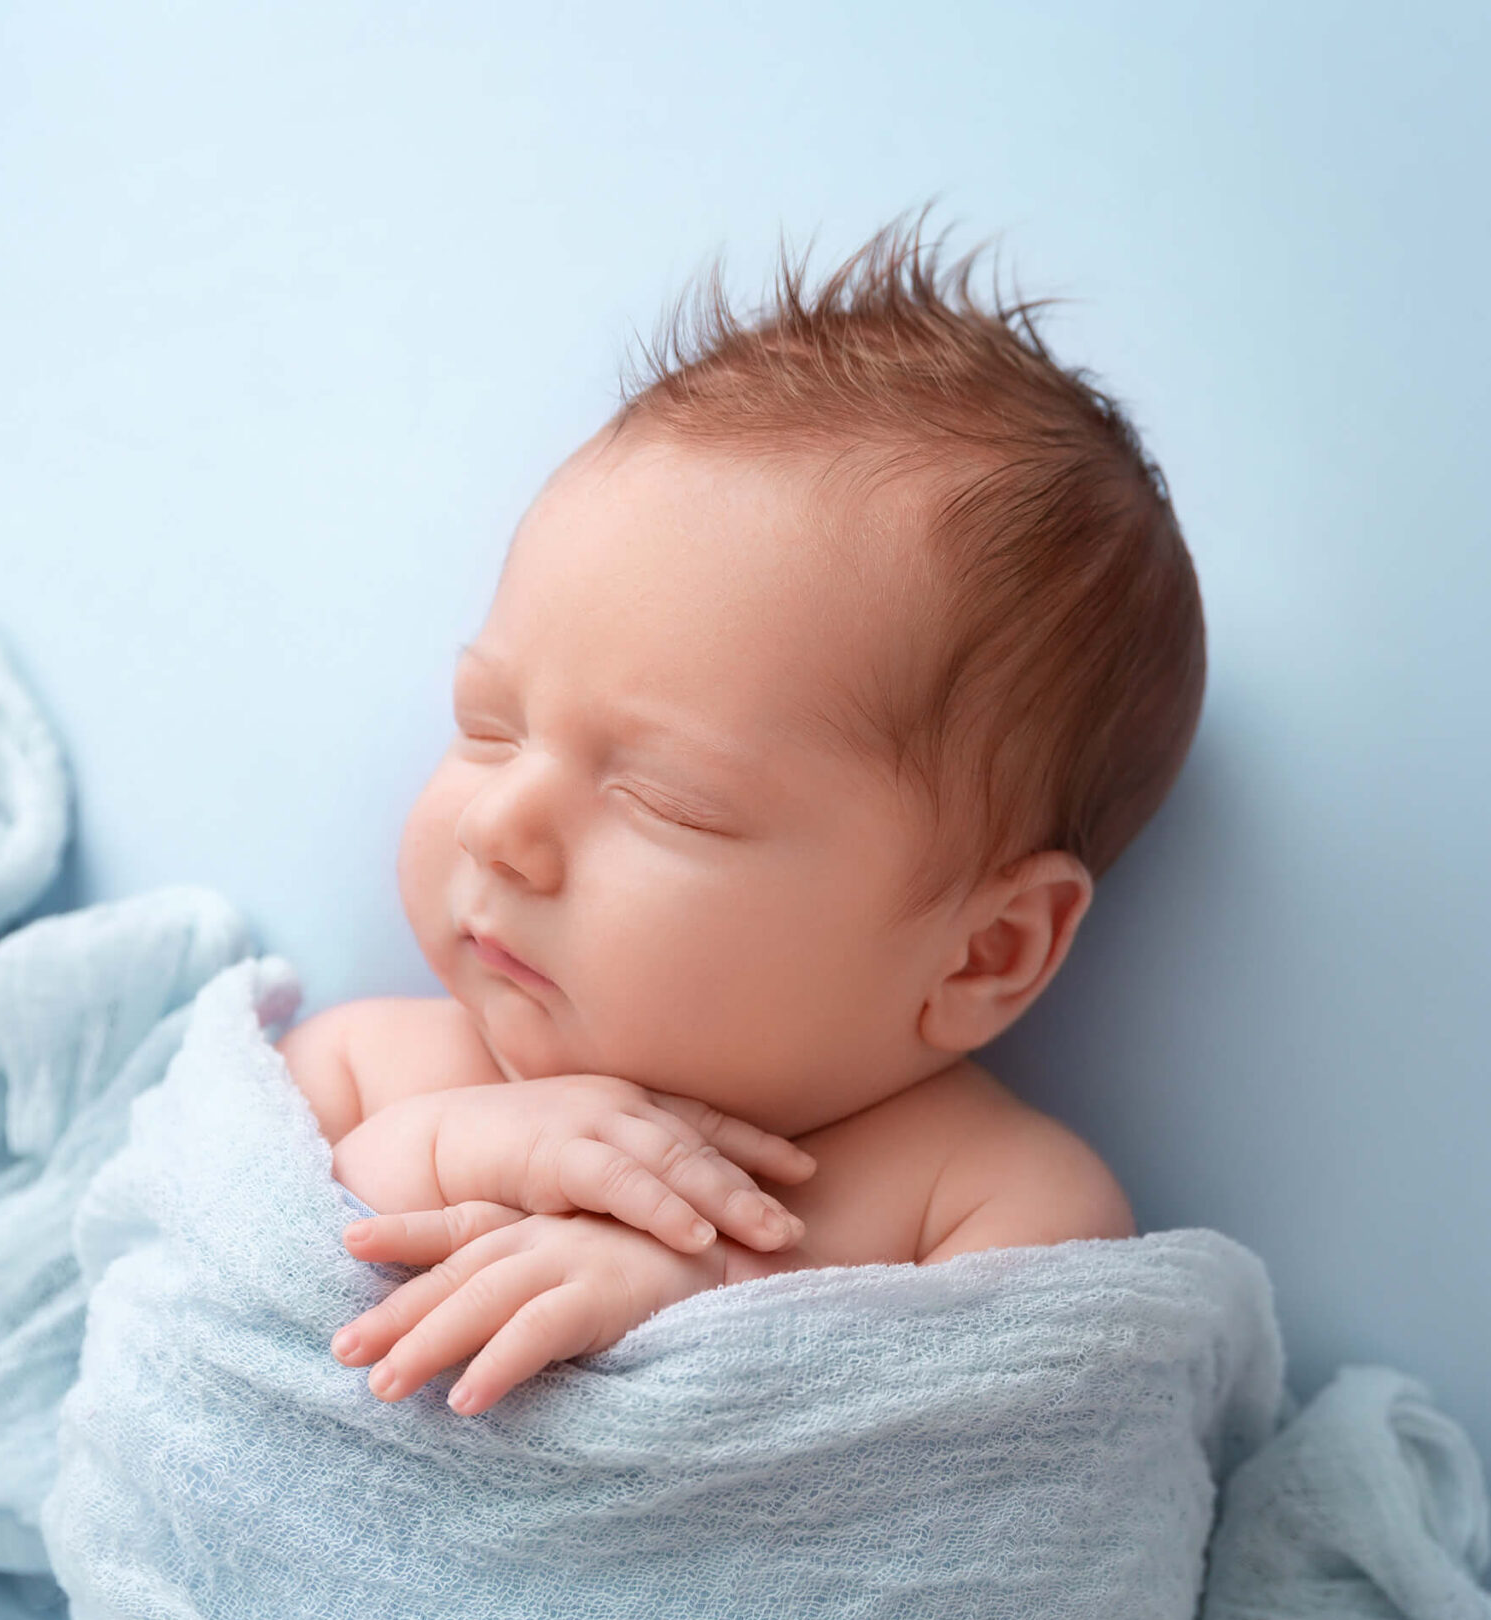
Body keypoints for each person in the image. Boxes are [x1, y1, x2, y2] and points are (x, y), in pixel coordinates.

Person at [282, 218, 1204, 1415]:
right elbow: (247, 1255)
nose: (499, 823)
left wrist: (697, 1285)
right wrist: (459, 1149)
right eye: (488, 725)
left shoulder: (989, 1199)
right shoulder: (372, 1063)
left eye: (667, 800)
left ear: (987, 948)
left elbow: (965, 1489)